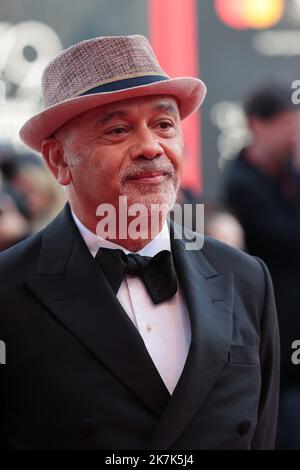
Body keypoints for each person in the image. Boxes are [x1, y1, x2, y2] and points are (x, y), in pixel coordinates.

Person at [0, 35, 279, 450]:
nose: (151, 147)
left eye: (164, 124)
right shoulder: (8, 291)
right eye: (118, 130)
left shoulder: (246, 278)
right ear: (59, 160)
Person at [221, 82, 300, 449]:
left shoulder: (288, 177)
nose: (295, 135)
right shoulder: (241, 186)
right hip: (273, 346)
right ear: (258, 125)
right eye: (289, 124)